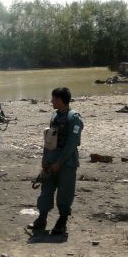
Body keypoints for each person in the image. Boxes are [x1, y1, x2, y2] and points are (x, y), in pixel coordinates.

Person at [28, 87, 83, 235]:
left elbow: (72, 143)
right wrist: (45, 160)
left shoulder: (75, 118)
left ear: (60, 100)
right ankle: (42, 218)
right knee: (46, 191)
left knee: (64, 193)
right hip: (51, 161)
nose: (51, 101)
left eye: (53, 99)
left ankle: (62, 221)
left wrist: (59, 162)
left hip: (67, 163)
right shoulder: (54, 116)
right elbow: (49, 139)